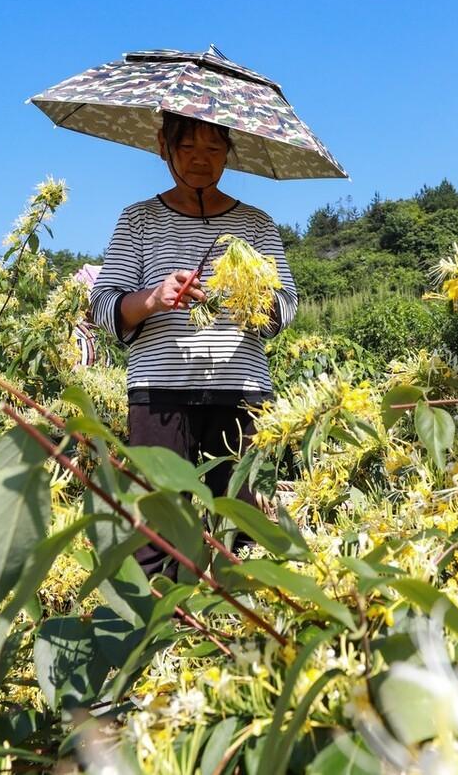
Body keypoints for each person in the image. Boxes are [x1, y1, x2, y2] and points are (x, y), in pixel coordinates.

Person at [89, 111, 298, 575]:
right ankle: (163, 634)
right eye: (187, 149)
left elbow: (286, 307)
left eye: (213, 149)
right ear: (164, 146)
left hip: (241, 391)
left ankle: (241, 629)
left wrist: (246, 292)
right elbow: (104, 307)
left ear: (229, 150)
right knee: (158, 531)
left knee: (244, 525)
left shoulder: (256, 224)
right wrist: (153, 298)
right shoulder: (138, 221)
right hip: (159, 395)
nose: (200, 161)